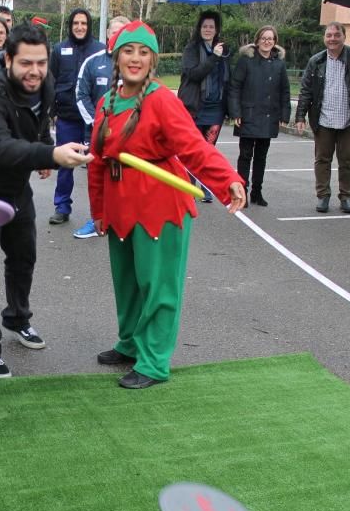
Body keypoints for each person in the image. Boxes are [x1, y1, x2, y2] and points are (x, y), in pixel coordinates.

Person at [87, 20, 245, 389]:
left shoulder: (161, 100)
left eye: (143, 52)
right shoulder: (106, 101)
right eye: (128, 51)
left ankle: (154, 361)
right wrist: (98, 211)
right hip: (120, 207)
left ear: (153, 59)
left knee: (158, 286)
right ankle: (130, 344)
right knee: (127, 283)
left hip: (159, 205)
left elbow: (194, 147)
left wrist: (229, 181)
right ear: (116, 57)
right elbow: (98, 159)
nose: (135, 58)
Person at [0, 22, 92, 378]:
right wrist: (50, 155)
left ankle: (17, 318)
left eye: (41, 63)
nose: (35, 71)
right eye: (26, 63)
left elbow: (40, 117)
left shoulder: (42, 82)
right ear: (8, 59)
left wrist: (43, 140)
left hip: (15, 185)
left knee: (24, 256)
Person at [294, 22, 350, 214]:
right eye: (329, 35)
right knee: (322, 159)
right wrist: (300, 115)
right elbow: (306, 91)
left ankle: (346, 196)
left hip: (349, 119)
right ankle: (323, 195)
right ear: (324, 38)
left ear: (344, 36)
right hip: (323, 118)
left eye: (336, 35)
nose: (332, 39)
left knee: (347, 160)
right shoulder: (316, 61)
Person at [72, 14, 130, 238]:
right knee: (97, 178)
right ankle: (96, 217)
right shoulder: (93, 62)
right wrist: (97, 124)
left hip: (127, 136)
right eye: (113, 31)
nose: (116, 35)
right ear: (107, 34)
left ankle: (123, 219)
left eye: (122, 32)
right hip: (97, 134)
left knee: (125, 178)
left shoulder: (133, 63)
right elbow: (80, 94)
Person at [48, 8, 103, 224]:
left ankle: (99, 211)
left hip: (92, 119)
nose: (79, 27)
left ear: (89, 26)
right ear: (70, 26)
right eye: (75, 23)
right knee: (65, 164)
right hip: (67, 116)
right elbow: (51, 82)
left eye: (84, 23)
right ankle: (62, 207)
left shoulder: (100, 50)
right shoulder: (60, 49)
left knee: (96, 164)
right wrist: (51, 111)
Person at [226, 25, 291, 207]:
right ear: (257, 40)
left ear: (275, 42)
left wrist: (284, 114)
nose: (267, 41)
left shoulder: (279, 64)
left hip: (268, 116)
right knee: (245, 155)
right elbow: (235, 87)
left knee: (261, 157)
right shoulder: (246, 61)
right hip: (248, 115)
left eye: (270, 39)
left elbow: (284, 91)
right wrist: (235, 112)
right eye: (264, 38)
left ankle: (257, 192)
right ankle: (243, 192)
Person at [177, 10, 230, 203]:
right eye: (205, 26)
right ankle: (189, 186)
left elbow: (227, 79)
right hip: (195, 108)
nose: (208, 30)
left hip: (215, 109)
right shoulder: (191, 49)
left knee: (208, 150)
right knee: (193, 149)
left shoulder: (223, 50)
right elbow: (195, 74)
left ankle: (206, 185)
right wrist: (213, 57)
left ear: (217, 30)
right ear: (199, 28)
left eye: (212, 27)